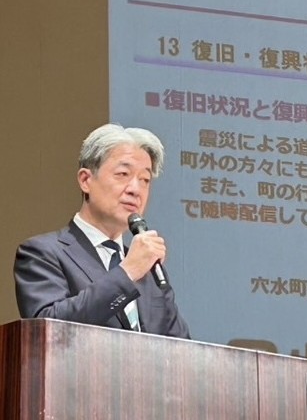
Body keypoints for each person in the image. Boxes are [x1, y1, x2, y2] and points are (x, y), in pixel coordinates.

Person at [14, 123, 190, 339]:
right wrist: (127, 272)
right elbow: (48, 329)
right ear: (85, 180)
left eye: (144, 180)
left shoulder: (149, 269)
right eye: (123, 174)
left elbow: (182, 347)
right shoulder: (42, 253)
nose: (135, 189)